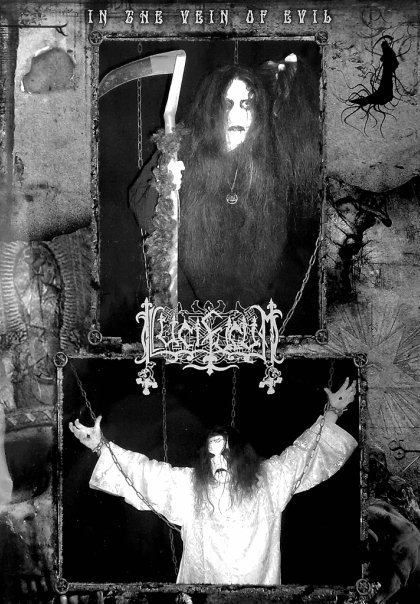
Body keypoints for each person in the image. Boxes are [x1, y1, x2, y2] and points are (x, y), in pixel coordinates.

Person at [69, 378, 358, 585]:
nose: (218, 462)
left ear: (240, 457)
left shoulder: (269, 481)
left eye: (225, 455)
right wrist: (101, 447)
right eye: (212, 456)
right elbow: (145, 473)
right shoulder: (191, 487)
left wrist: (332, 413)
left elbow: (303, 455)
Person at [129, 61, 319, 323]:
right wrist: (164, 181)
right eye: (227, 104)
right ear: (211, 109)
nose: (237, 116)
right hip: (186, 308)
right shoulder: (182, 146)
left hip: (248, 311)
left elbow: (274, 248)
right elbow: (145, 215)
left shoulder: (268, 158)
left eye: (246, 104)